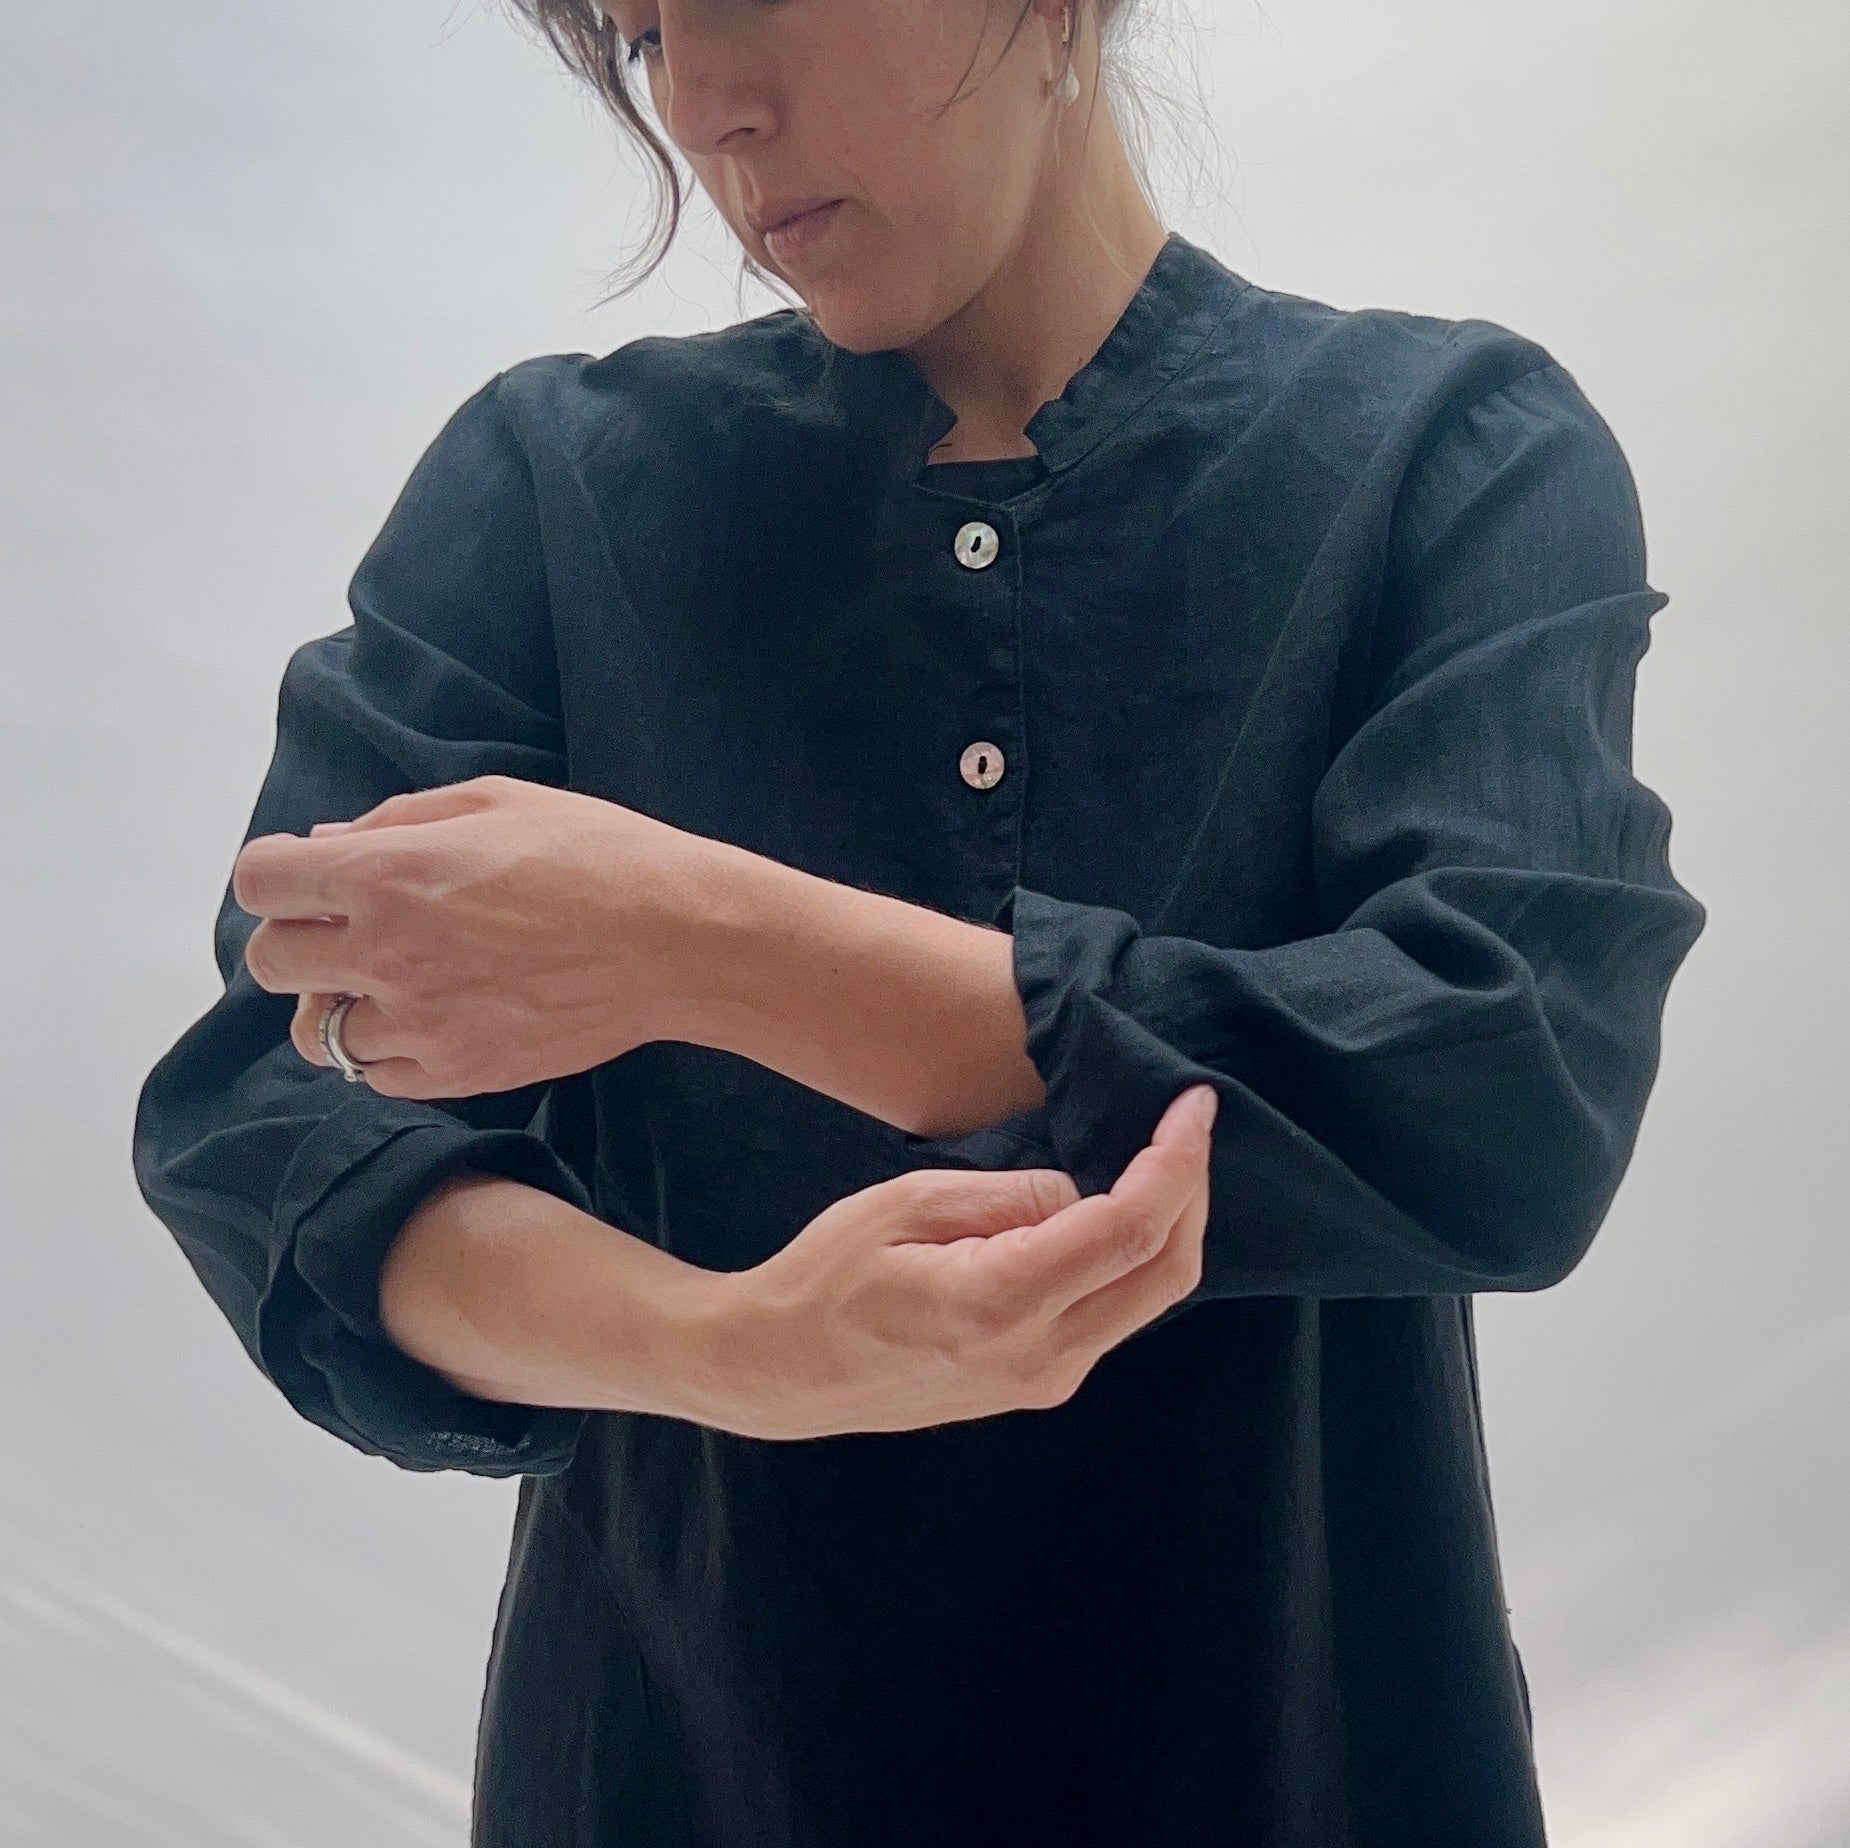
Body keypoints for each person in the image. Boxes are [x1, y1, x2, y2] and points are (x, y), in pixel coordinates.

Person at [131, 1, 1708, 1843]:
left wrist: (703, 943)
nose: (704, 105)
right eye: (643, 35)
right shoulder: (550, 485)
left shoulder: (1445, 448)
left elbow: (1507, 1085)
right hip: (677, 1772)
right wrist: (731, 1346)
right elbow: (275, 1120)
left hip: (1302, 1757)